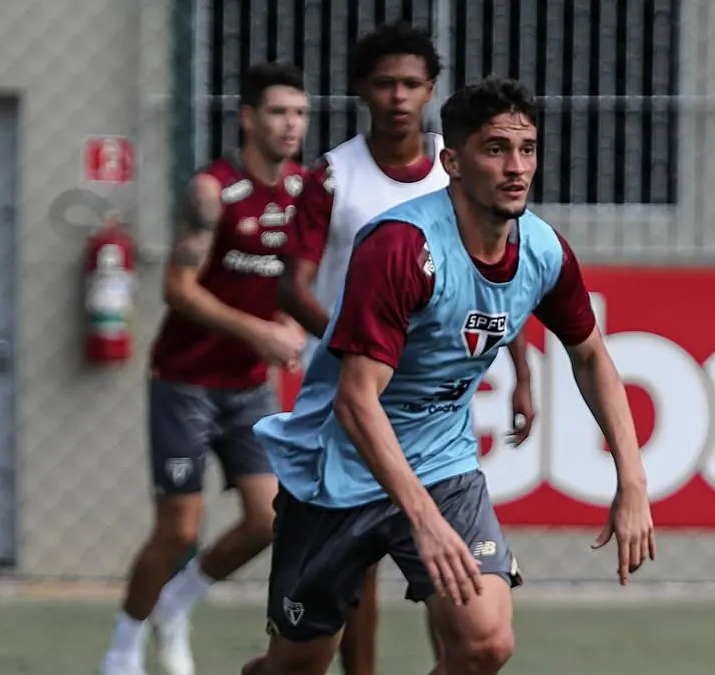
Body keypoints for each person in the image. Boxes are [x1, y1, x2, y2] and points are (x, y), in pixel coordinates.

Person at [242, 75, 655, 675]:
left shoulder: (544, 251)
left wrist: (633, 480)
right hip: (337, 471)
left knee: (486, 643)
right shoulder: (401, 248)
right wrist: (423, 521)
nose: (517, 167)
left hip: (442, 467)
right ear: (452, 163)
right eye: (496, 149)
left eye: (528, 149)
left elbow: (590, 356)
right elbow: (356, 402)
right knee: (296, 667)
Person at [278, 23, 536, 675]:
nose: (398, 97)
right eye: (385, 83)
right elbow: (294, 286)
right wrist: (360, 343)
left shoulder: (468, 168)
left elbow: (497, 277)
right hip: (353, 397)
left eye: (412, 84)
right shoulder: (334, 177)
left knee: (454, 584)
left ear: (430, 91)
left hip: (430, 412)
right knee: (349, 585)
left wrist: (523, 371)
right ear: (361, 89)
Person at [100, 62, 309, 675]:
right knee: (178, 529)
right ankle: (123, 646)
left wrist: (293, 319)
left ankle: (177, 603)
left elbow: (298, 275)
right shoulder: (213, 192)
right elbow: (177, 288)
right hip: (185, 380)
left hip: (249, 386)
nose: (291, 124)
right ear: (248, 118)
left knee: (271, 517)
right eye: (278, 112)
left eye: (300, 113)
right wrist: (259, 330)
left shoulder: (305, 192)